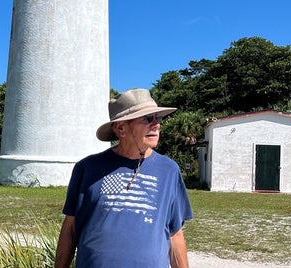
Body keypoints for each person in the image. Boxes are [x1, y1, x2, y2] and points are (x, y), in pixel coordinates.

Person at [55, 88, 193, 268]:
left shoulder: (169, 170)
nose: (156, 124)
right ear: (120, 128)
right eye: (147, 118)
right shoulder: (87, 168)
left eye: (157, 118)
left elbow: (175, 234)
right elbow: (70, 229)